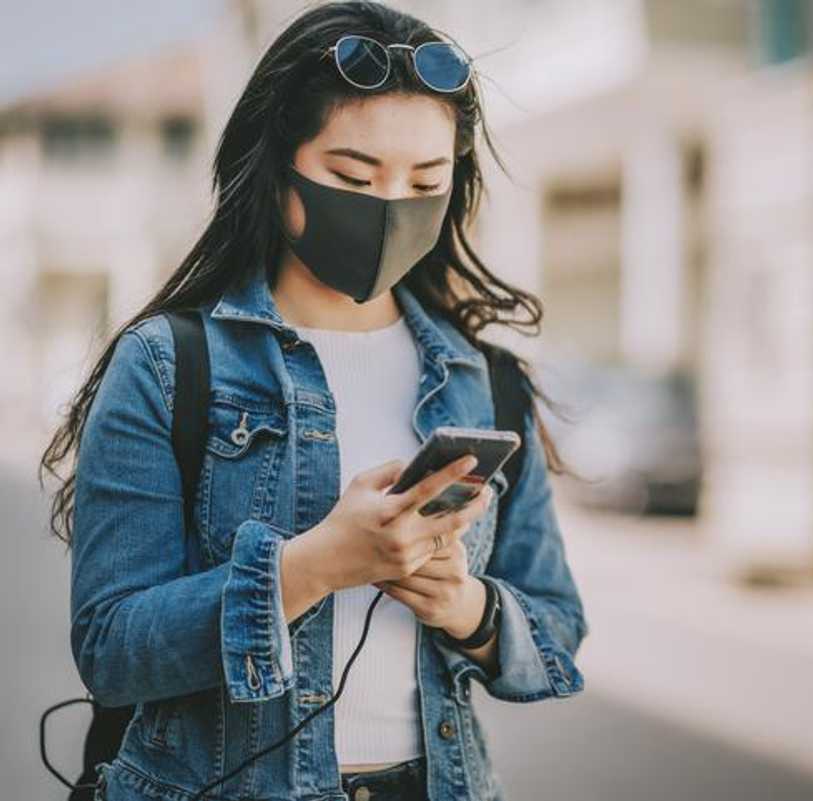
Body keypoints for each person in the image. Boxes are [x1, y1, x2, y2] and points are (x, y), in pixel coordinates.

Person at [38, 3, 589, 800]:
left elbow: (557, 627)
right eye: (354, 178)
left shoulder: (485, 379)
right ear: (277, 170)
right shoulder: (166, 365)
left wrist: (467, 605)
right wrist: (317, 564)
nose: (390, 205)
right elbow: (112, 647)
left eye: (425, 183)